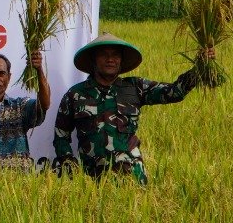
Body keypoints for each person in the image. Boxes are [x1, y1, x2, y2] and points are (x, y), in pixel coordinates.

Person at [53, 33, 215, 184]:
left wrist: (199, 68)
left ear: (121, 61)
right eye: (104, 54)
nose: (110, 59)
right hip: (92, 178)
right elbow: (61, 134)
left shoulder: (135, 87)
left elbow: (174, 92)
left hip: (132, 176)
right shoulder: (75, 94)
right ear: (94, 61)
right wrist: (70, 165)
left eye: (115, 55)